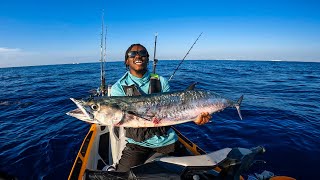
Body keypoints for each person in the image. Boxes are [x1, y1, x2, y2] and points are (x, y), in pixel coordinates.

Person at [110, 43, 211, 172]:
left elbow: (174, 110)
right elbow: (118, 115)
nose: (138, 56)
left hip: (167, 140)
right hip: (137, 143)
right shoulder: (118, 87)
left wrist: (194, 118)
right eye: (132, 54)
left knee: (193, 174)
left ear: (147, 58)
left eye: (142, 53)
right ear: (126, 61)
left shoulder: (162, 81)